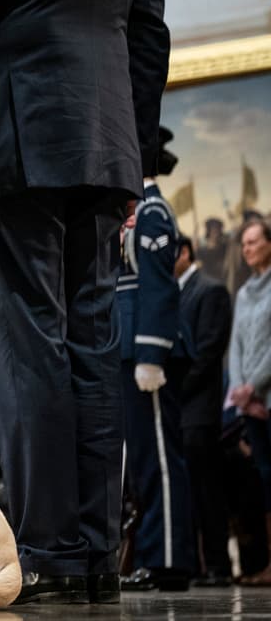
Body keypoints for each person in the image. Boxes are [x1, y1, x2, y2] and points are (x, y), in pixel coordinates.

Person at [0, 0, 170, 604]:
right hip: (106, 139)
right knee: (93, 348)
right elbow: (150, 30)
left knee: (27, 348)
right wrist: (137, 162)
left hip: (17, 133)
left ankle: (49, 551)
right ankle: (96, 553)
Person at [116, 146, 196, 592]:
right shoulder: (133, 212)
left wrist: (151, 354)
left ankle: (168, 559)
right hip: (129, 349)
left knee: (161, 460)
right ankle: (153, 554)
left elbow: (159, 288)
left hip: (150, 352)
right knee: (146, 460)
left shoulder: (151, 212)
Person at [175, 234, 235, 586]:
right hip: (179, 411)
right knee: (188, 492)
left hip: (199, 407)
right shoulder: (174, 293)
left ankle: (218, 565)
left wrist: (177, 391)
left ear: (184, 252)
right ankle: (195, 564)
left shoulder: (210, 290)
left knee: (208, 490)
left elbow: (209, 352)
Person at [228, 218, 271, 585]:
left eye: (254, 241)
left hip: (265, 396)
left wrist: (254, 385)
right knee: (265, 482)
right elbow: (237, 346)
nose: (247, 248)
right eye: (243, 243)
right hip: (252, 404)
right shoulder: (243, 293)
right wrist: (241, 389)